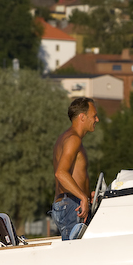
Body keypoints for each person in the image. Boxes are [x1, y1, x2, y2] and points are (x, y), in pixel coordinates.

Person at [51, 97, 99, 239]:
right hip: (71, 205)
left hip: (71, 203)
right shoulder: (73, 139)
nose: (97, 120)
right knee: (74, 250)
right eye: (94, 116)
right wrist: (83, 197)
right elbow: (60, 173)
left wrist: (87, 195)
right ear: (82, 117)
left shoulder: (68, 138)